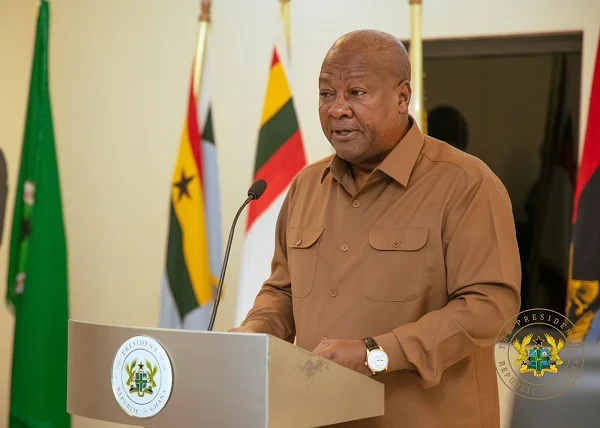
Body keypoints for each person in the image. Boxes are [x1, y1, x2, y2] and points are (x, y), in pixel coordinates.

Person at [230, 29, 521, 428]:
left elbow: (490, 308)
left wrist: (375, 354)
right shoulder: (306, 186)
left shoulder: (466, 184)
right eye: (326, 94)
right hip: (316, 417)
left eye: (356, 93)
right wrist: (255, 332)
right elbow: (283, 291)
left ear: (402, 98)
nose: (337, 109)